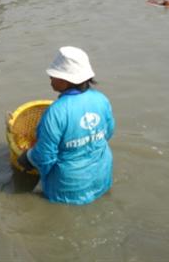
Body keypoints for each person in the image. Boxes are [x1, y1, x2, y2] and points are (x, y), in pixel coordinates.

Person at [16, 46, 114, 205]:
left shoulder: (55, 112)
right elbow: (108, 134)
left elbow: (44, 156)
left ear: (65, 80)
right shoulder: (102, 100)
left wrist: (26, 157)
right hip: (101, 176)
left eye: (54, 75)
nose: (50, 78)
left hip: (69, 188)